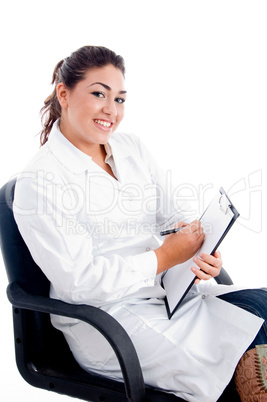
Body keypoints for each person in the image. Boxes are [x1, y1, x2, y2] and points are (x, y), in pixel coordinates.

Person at [13, 46, 267, 401]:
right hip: (108, 321)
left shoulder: (130, 148)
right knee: (242, 351)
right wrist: (162, 258)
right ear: (64, 93)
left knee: (264, 309)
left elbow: (169, 217)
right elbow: (79, 284)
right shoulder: (39, 183)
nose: (111, 110)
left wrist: (200, 250)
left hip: (167, 295)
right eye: (98, 94)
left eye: (119, 99)